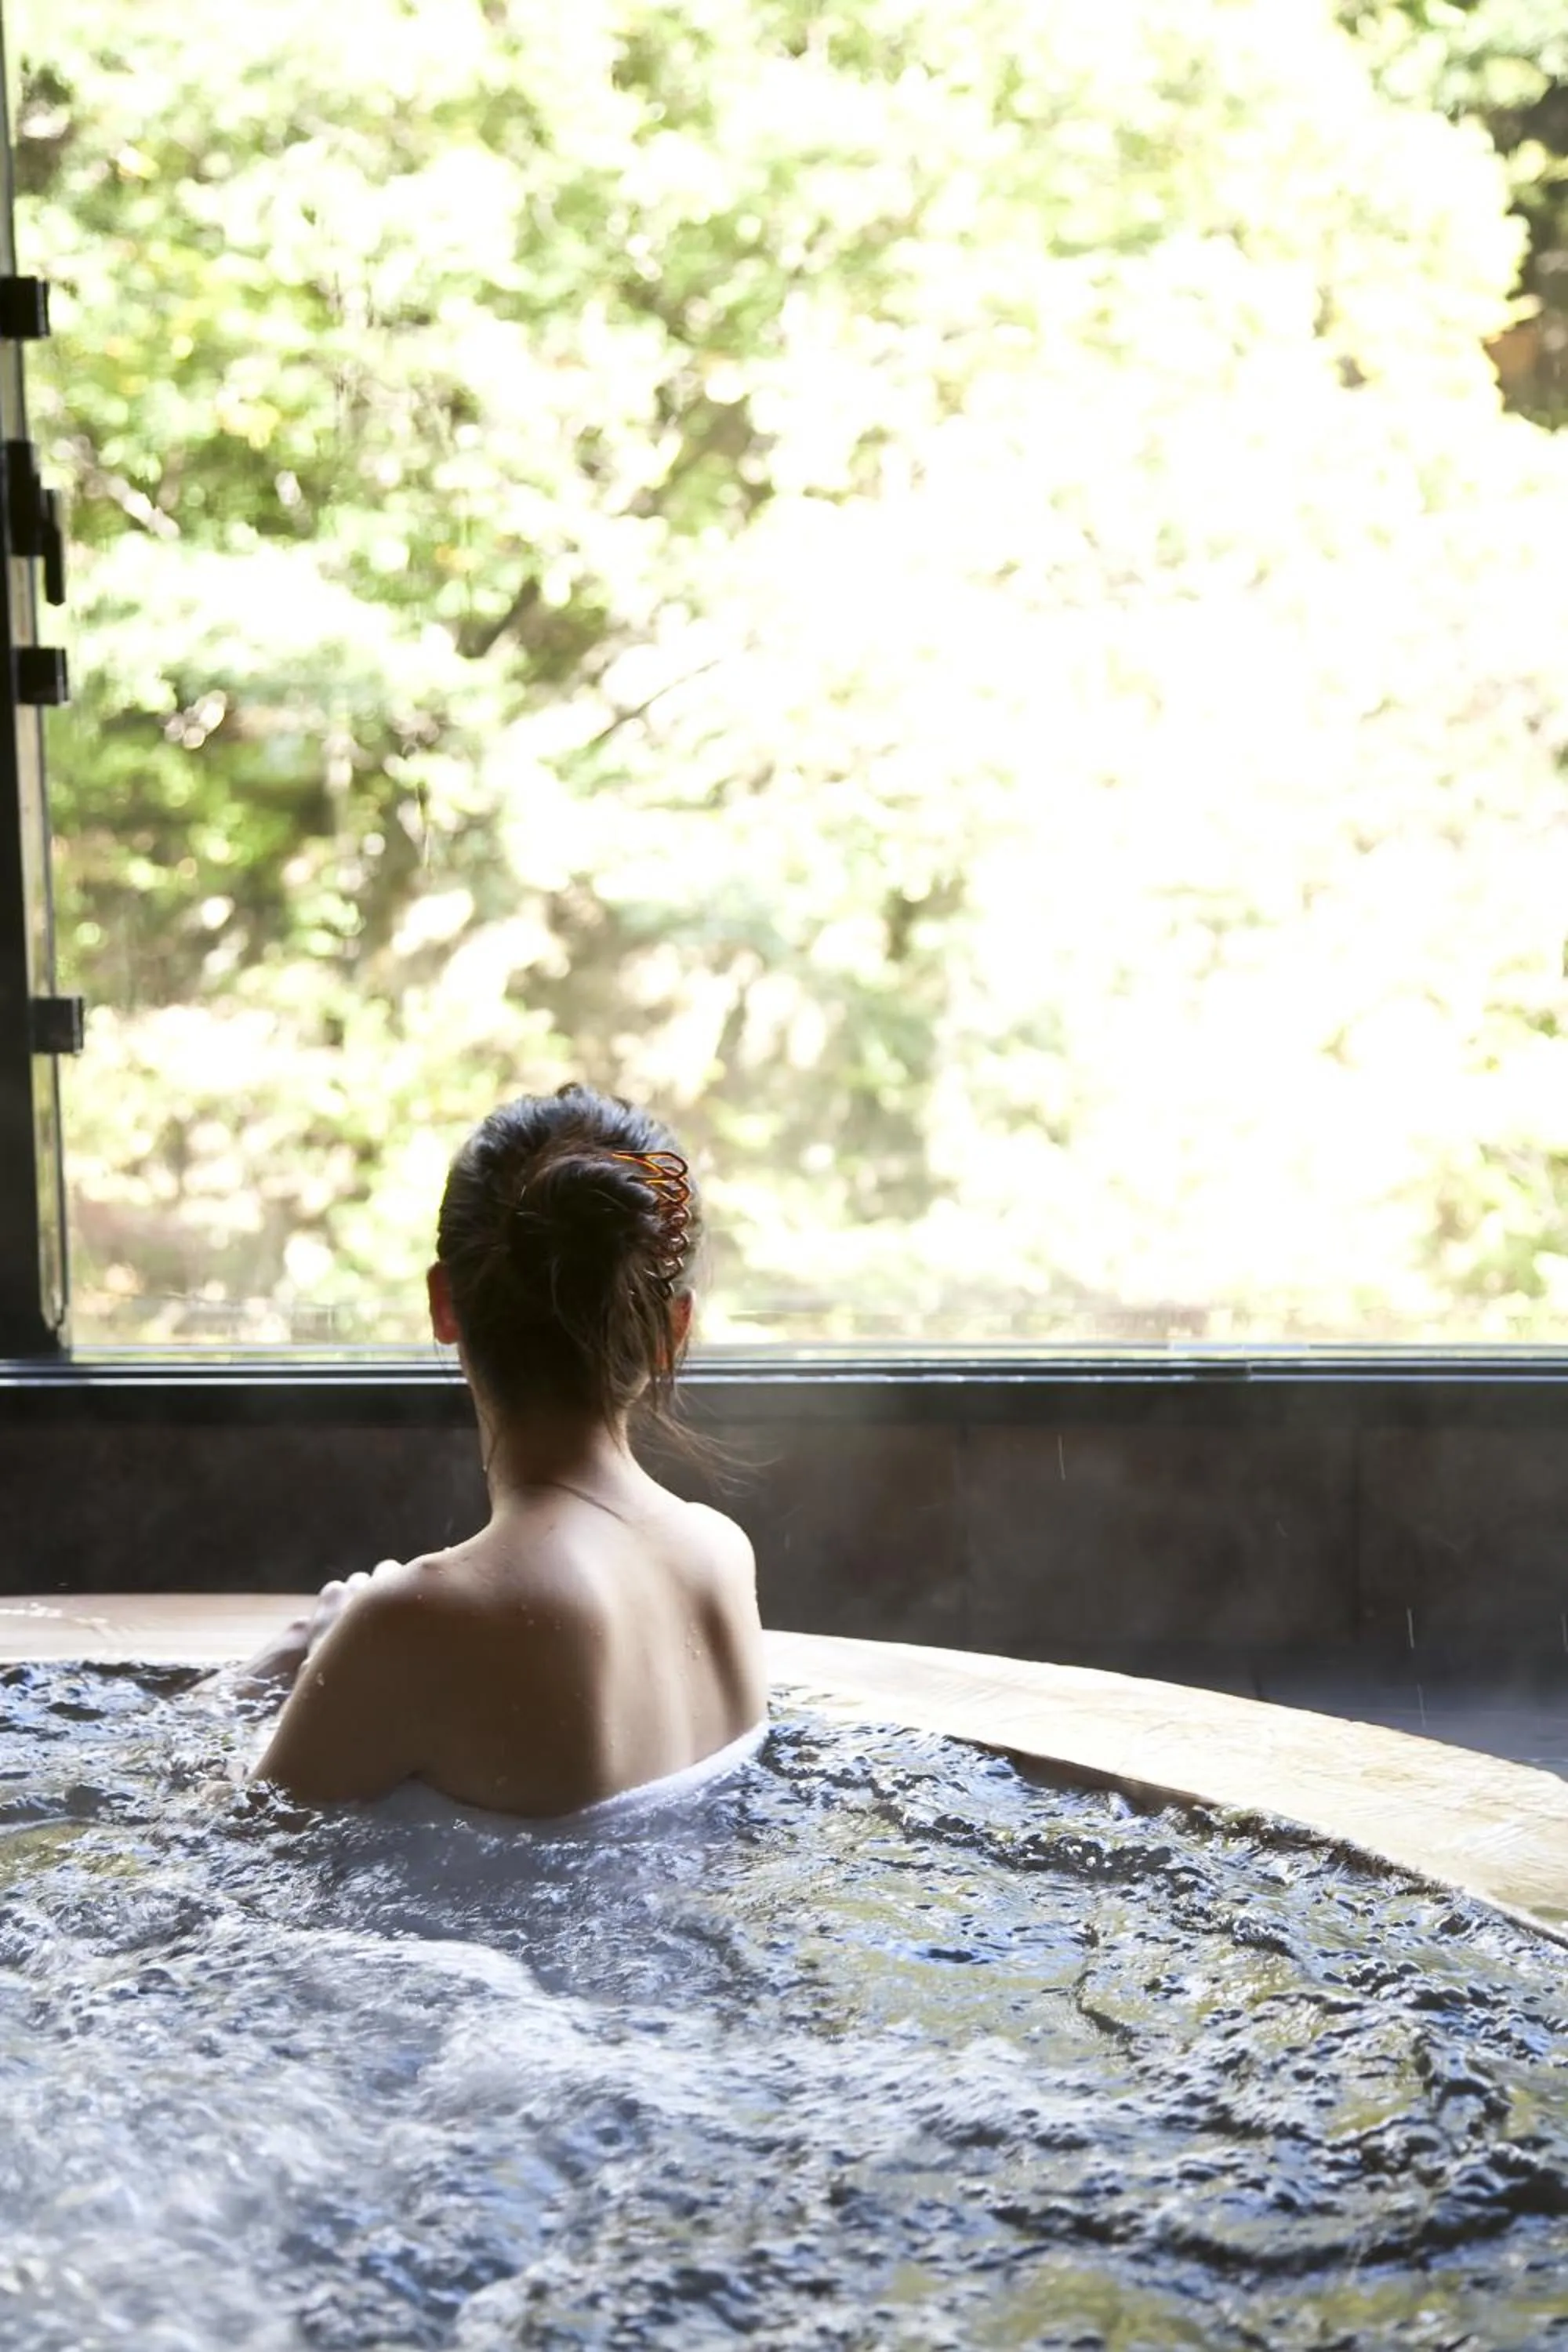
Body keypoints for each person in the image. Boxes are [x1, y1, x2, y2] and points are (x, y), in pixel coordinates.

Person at [234, 1083, 768, 1817]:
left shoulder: (414, 1621)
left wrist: (284, 1665)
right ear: (674, 1331)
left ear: (444, 1304)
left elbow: (205, 1859)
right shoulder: (721, 1555)